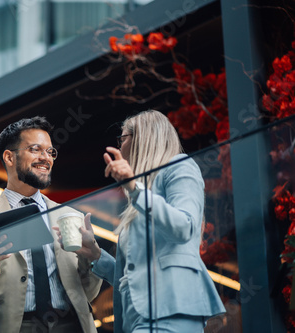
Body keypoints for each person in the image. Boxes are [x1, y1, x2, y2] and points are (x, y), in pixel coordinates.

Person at [56, 110, 225, 332]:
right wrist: (95, 254)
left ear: (142, 139)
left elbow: (185, 227)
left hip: (171, 309)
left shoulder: (178, 166)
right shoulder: (141, 195)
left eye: (122, 138)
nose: (119, 147)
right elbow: (133, 275)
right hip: (138, 316)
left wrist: (136, 189)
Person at [0, 116, 102, 333]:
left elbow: (87, 293)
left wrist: (91, 260)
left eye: (50, 152)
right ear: (9, 157)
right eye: (36, 149)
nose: (46, 158)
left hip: (71, 326)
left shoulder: (69, 215)